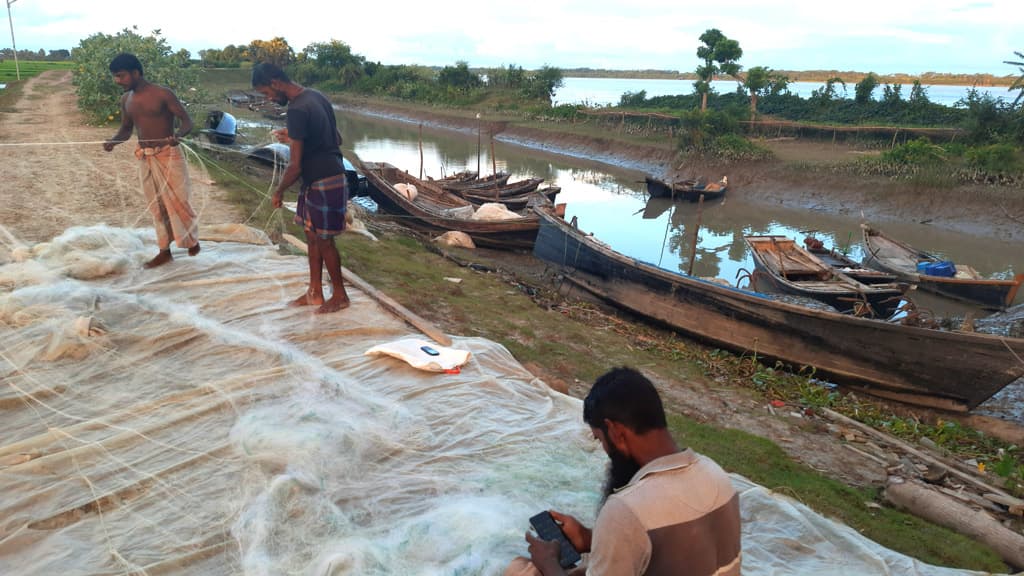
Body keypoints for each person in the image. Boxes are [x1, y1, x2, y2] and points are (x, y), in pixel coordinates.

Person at [507, 367, 741, 576]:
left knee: (521, 570)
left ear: (615, 431)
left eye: (600, 440)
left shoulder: (627, 510)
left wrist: (548, 563)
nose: (605, 451)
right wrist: (591, 539)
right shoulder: (716, 475)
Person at [250, 62, 351, 314]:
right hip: (325, 178)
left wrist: (279, 190)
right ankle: (314, 292)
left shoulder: (296, 109)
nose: (270, 99)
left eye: (267, 93)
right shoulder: (316, 96)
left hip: (324, 181)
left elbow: (294, 166)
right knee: (311, 236)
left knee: (325, 241)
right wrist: (294, 135)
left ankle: (340, 295)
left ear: (275, 83)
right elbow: (336, 139)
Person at [103, 53, 199, 269]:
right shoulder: (126, 99)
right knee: (156, 205)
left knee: (179, 201)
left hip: (168, 153)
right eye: (115, 77)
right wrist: (113, 141)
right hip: (145, 156)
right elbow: (126, 130)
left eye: (121, 76)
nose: (118, 81)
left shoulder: (163, 94)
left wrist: (179, 136)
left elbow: (186, 121)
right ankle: (164, 251)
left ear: (136, 73)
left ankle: (191, 240)